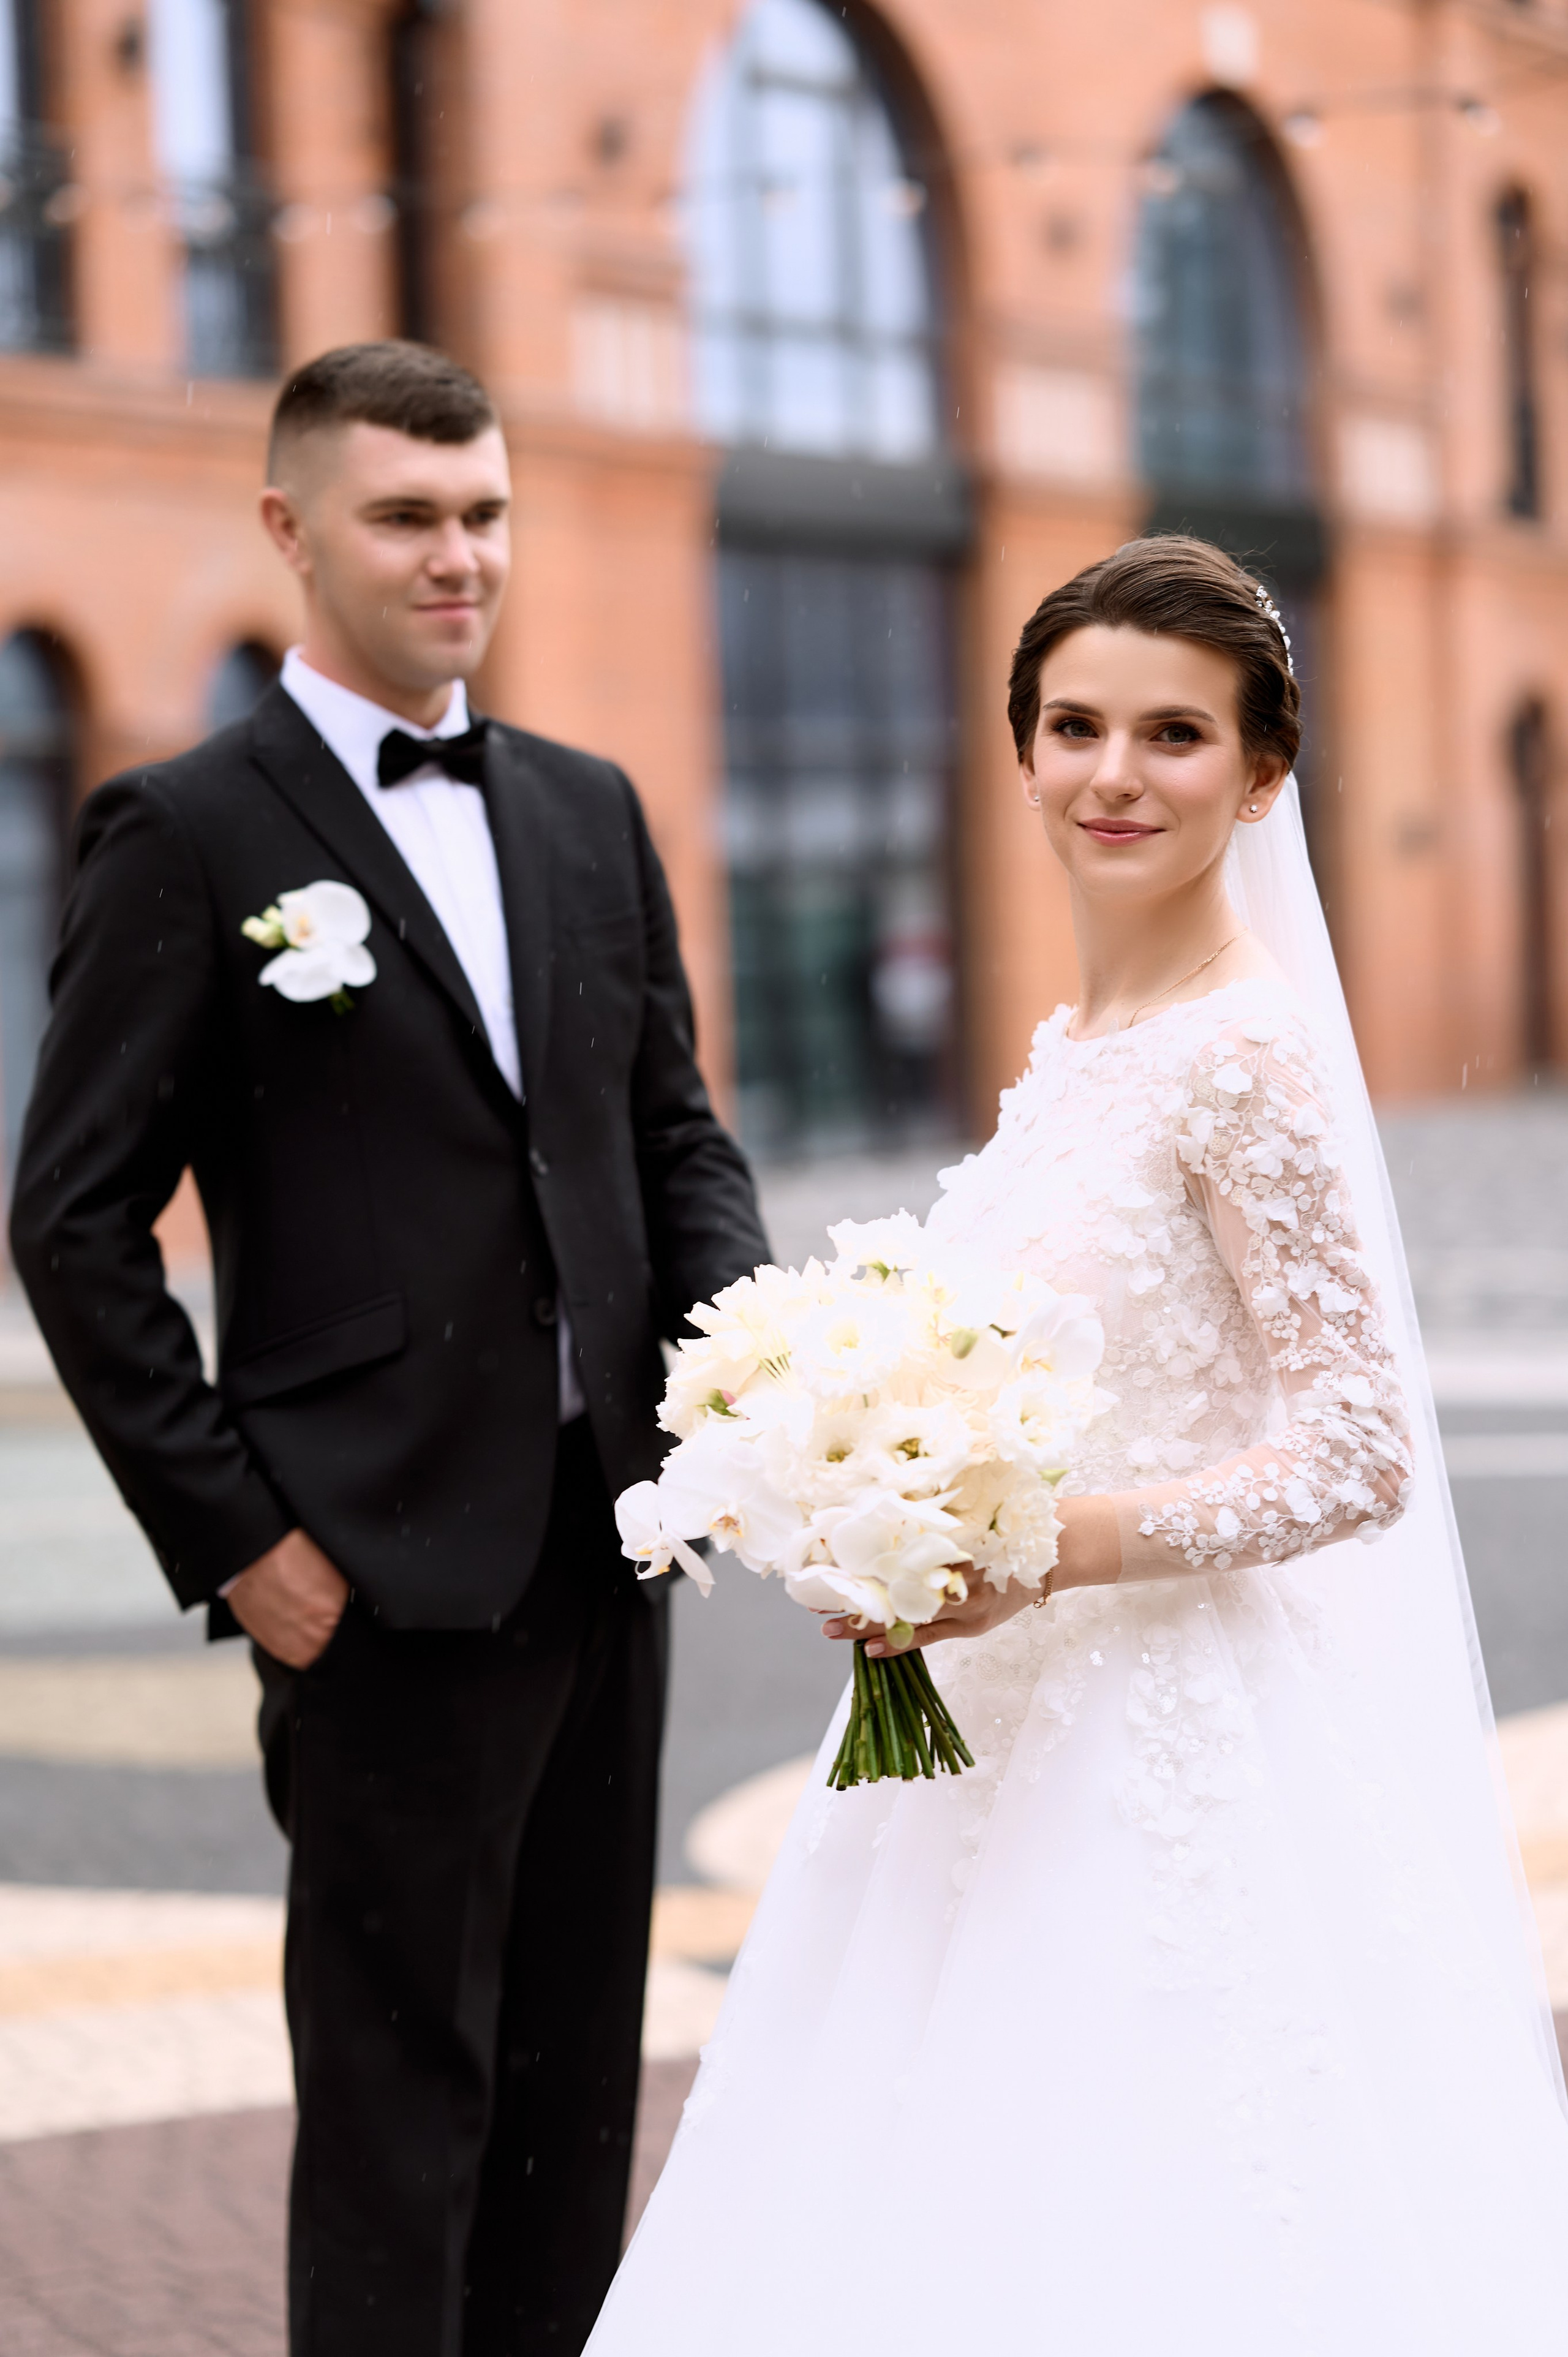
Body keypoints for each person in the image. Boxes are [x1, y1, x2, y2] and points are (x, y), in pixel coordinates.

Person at [585, 537, 1568, 2354]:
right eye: (1076, 726)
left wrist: (1047, 1550)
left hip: (1170, 1738)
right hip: (987, 1731)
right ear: (1022, 746)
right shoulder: (1082, 1040)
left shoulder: (1244, 1055)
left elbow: (1357, 1448)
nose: (1117, 774)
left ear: (1263, 773)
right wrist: (868, 1495)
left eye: (1176, 736)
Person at [9, 339, 768, 2356]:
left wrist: (742, 1396)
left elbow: (671, 1140)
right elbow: (69, 1219)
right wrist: (240, 1535)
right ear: (291, 532)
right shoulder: (180, 831)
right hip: (367, 1573)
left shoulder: (593, 816)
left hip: (610, 1551)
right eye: (409, 517)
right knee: (396, 2111)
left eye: (486, 514)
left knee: (568, 2103)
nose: (461, 557)